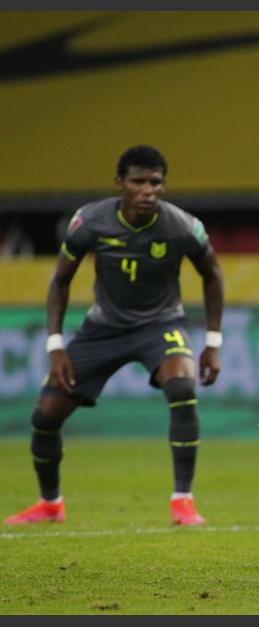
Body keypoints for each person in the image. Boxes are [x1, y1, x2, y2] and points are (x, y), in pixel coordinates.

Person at [4, 145, 224, 527]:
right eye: (139, 181)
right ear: (120, 182)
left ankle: (183, 502)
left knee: (183, 388)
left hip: (161, 324)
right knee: (45, 416)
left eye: (156, 182)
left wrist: (213, 343)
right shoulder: (90, 222)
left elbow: (212, 274)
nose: (148, 190)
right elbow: (60, 281)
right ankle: (50, 504)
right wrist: (55, 345)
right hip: (103, 327)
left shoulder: (182, 226)